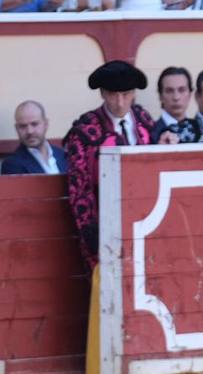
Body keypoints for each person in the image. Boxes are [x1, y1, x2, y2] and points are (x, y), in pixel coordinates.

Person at [64, 61, 161, 272]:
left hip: (147, 224)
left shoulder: (144, 121)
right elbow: (79, 189)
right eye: (112, 94)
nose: (119, 102)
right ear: (102, 93)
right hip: (106, 229)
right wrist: (92, 233)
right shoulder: (84, 131)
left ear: (134, 93)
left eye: (126, 94)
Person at [0, 100, 68, 175]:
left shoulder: (63, 155)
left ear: (46, 124)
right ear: (16, 129)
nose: (30, 131)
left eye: (34, 124)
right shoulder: (12, 164)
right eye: (23, 126)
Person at [150, 66, 203, 144]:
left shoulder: (201, 130)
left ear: (190, 94)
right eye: (169, 91)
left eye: (181, 90)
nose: (176, 97)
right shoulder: (150, 133)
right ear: (160, 96)